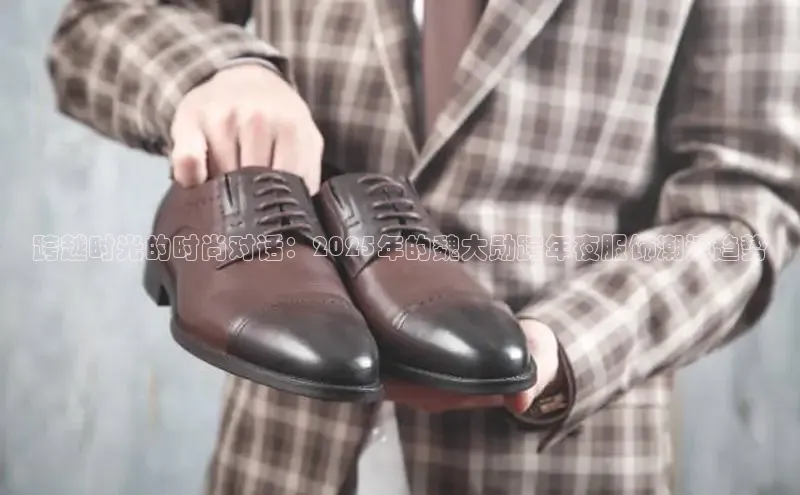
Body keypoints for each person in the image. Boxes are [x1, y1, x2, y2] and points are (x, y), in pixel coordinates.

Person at [47, 0, 800, 493]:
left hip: (564, 459)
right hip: (285, 439)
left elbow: (743, 204)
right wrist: (218, 71)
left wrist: (566, 347)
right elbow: (101, 22)